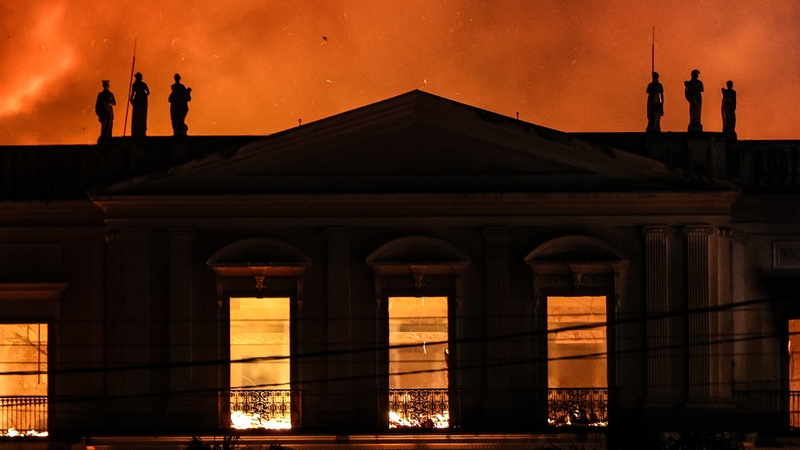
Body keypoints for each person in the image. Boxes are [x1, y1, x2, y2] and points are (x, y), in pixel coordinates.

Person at [129, 72, 150, 137]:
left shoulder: (143, 84)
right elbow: (132, 94)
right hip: (137, 100)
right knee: (136, 115)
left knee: (142, 115)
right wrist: (131, 100)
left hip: (142, 101)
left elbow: (148, 92)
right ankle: (136, 129)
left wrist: (143, 96)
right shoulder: (134, 85)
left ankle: (141, 129)